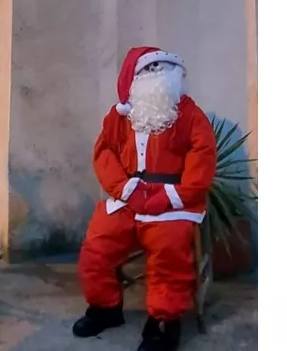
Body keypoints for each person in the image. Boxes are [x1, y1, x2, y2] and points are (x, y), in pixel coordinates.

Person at [72, 47, 216, 351]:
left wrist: (175, 195)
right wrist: (125, 189)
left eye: (165, 70)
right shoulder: (119, 116)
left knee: (168, 249)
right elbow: (104, 153)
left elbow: (202, 156)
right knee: (96, 245)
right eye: (151, 71)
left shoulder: (190, 114)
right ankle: (105, 308)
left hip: (174, 200)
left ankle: (164, 321)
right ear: (134, 79)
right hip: (128, 196)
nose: (159, 78)